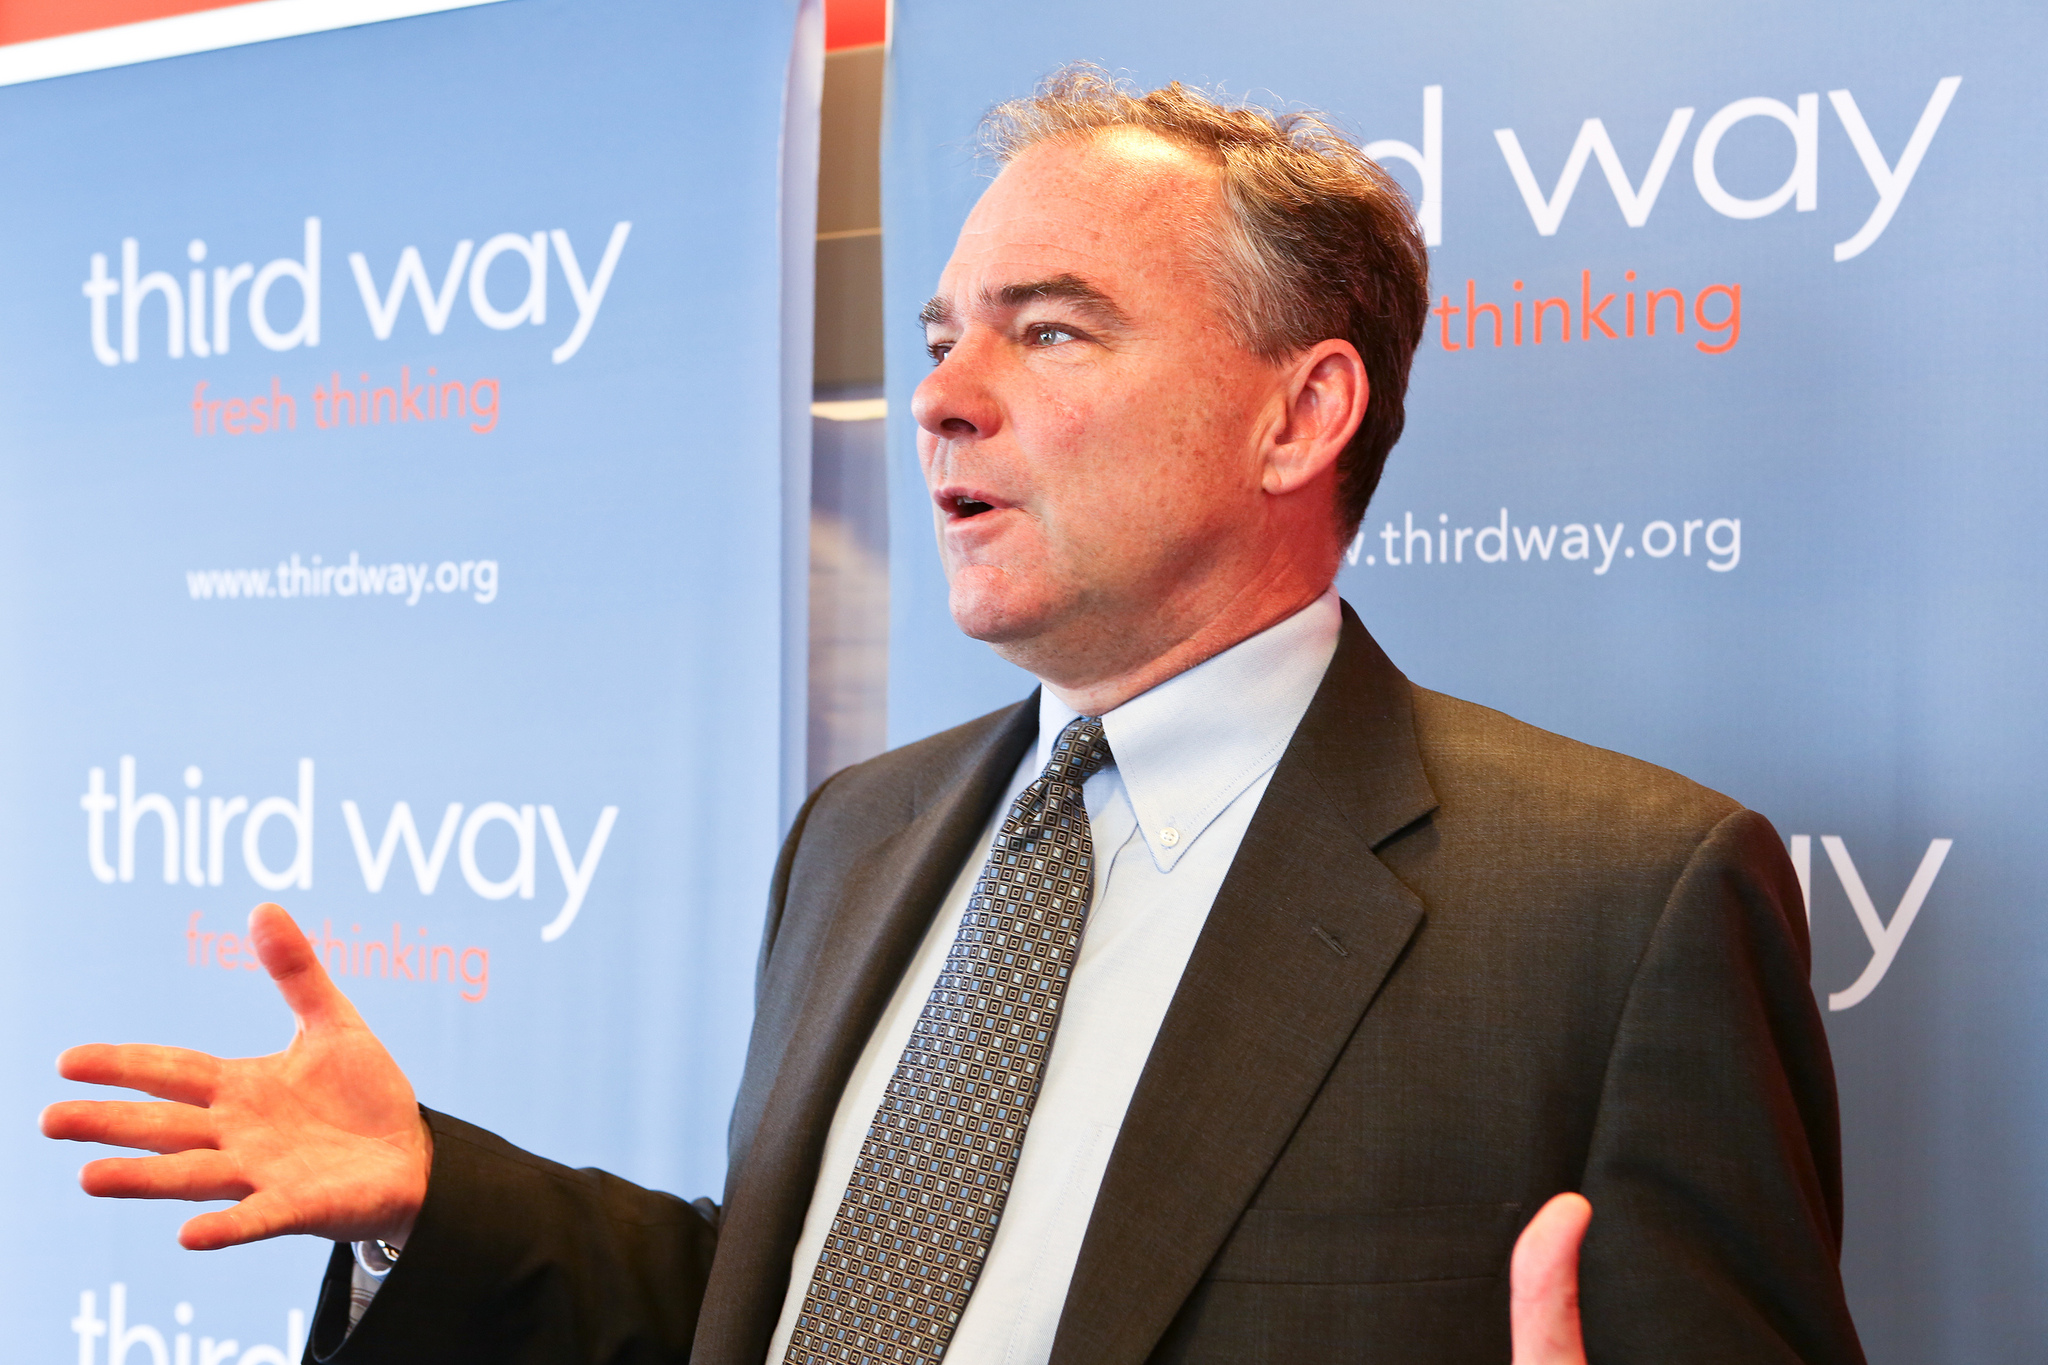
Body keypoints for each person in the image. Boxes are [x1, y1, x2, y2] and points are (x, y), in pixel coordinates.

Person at [42, 68, 1862, 1364]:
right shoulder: (866, 830)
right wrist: (436, 1197)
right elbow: (784, 1305)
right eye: (938, 340)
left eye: (1049, 331)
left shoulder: (1618, 901)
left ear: (1298, 416)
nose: (942, 400)